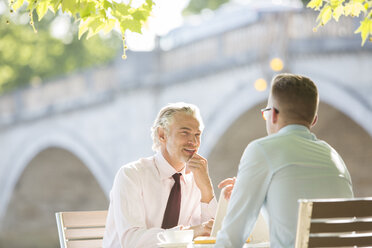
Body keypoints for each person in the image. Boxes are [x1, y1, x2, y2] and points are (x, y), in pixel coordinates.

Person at [214, 73, 354, 248]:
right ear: (314, 120)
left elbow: (231, 238)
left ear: (272, 115)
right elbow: (291, 218)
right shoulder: (334, 156)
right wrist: (249, 189)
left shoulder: (261, 150)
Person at [103, 102, 217, 248]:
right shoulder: (131, 175)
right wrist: (190, 232)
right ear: (162, 135)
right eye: (185, 133)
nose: (194, 142)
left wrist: (207, 189)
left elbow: (211, 235)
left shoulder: (196, 179)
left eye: (197, 135)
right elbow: (132, 240)